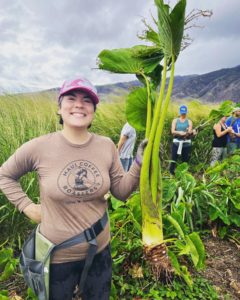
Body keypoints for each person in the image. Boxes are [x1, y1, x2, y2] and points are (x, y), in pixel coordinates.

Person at [0, 76, 147, 300]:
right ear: (59, 108)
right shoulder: (39, 147)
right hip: (57, 259)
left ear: (94, 110)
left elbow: (121, 191)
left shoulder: (106, 145)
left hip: (99, 252)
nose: (79, 104)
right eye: (71, 98)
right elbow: (4, 175)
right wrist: (26, 206)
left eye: (87, 100)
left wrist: (139, 163)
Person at [169, 105, 196, 175]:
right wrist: (179, 133)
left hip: (186, 143)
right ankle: (171, 173)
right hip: (176, 142)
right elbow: (172, 131)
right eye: (182, 112)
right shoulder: (175, 120)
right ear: (179, 112)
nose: (183, 114)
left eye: (184, 113)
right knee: (173, 159)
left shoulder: (189, 121)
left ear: (186, 112)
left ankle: (183, 174)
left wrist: (192, 133)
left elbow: (189, 132)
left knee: (185, 160)